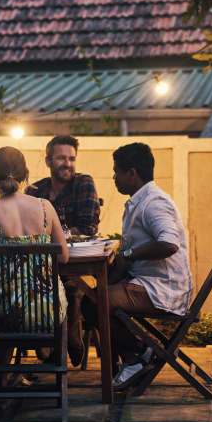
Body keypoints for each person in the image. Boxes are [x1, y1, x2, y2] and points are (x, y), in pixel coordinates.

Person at [80, 142, 193, 389]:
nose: (113, 177)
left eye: (116, 171)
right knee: (92, 297)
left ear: (132, 173)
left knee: (94, 303)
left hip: (163, 288)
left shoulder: (153, 203)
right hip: (147, 283)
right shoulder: (140, 201)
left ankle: (136, 355)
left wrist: (129, 254)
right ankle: (137, 354)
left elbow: (170, 244)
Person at [0, 146, 69, 387]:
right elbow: (64, 257)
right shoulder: (46, 207)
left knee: (11, 297)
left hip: (4, 313)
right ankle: (55, 368)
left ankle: (1, 378)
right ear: (26, 175)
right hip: (48, 310)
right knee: (35, 300)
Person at [25, 134, 100, 367]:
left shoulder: (84, 182)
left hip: (78, 263)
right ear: (48, 161)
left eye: (71, 158)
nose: (67, 163)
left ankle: (70, 341)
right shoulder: (35, 190)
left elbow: (88, 228)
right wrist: (61, 234)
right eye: (61, 158)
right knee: (34, 288)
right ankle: (52, 343)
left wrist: (49, 235)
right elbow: (26, 231)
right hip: (43, 267)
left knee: (74, 288)